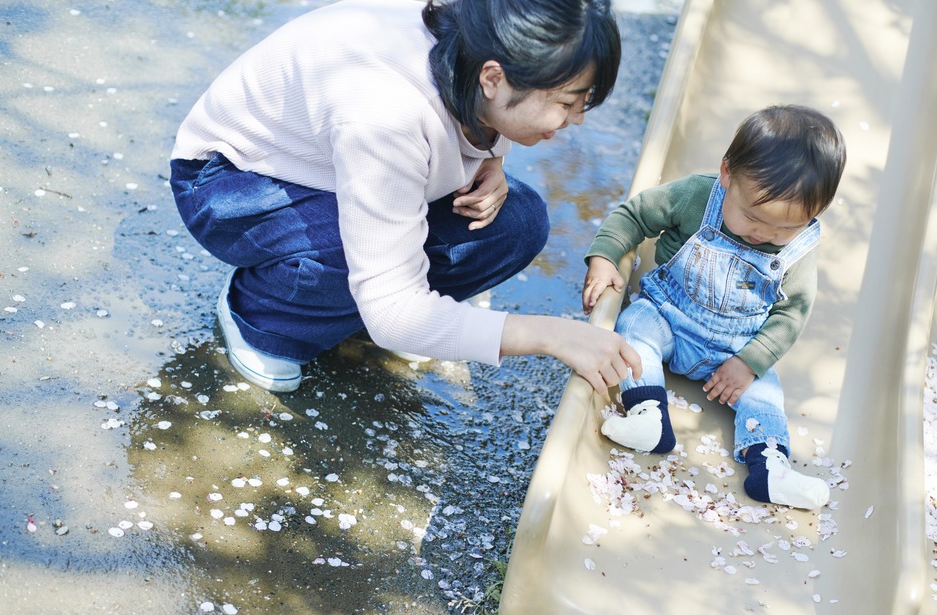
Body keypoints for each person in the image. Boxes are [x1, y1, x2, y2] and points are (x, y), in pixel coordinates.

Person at [169, 0, 640, 393]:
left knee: (516, 222)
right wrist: (552, 335)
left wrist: (492, 156)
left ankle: (357, 310)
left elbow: (476, 112)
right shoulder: (385, 116)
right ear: (494, 78)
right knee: (364, 268)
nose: (574, 120)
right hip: (231, 181)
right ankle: (264, 319)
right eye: (565, 102)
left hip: (330, 165)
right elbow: (394, 312)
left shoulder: (478, 35)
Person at [582, 105, 846, 510]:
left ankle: (770, 468)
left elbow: (792, 312)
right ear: (727, 175)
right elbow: (635, 214)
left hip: (734, 348)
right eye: (753, 218)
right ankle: (648, 415)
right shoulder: (697, 196)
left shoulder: (798, 249)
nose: (766, 235)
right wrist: (604, 255)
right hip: (669, 313)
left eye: (786, 228)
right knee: (633, 325)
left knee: (765, 393)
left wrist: (750, 362)